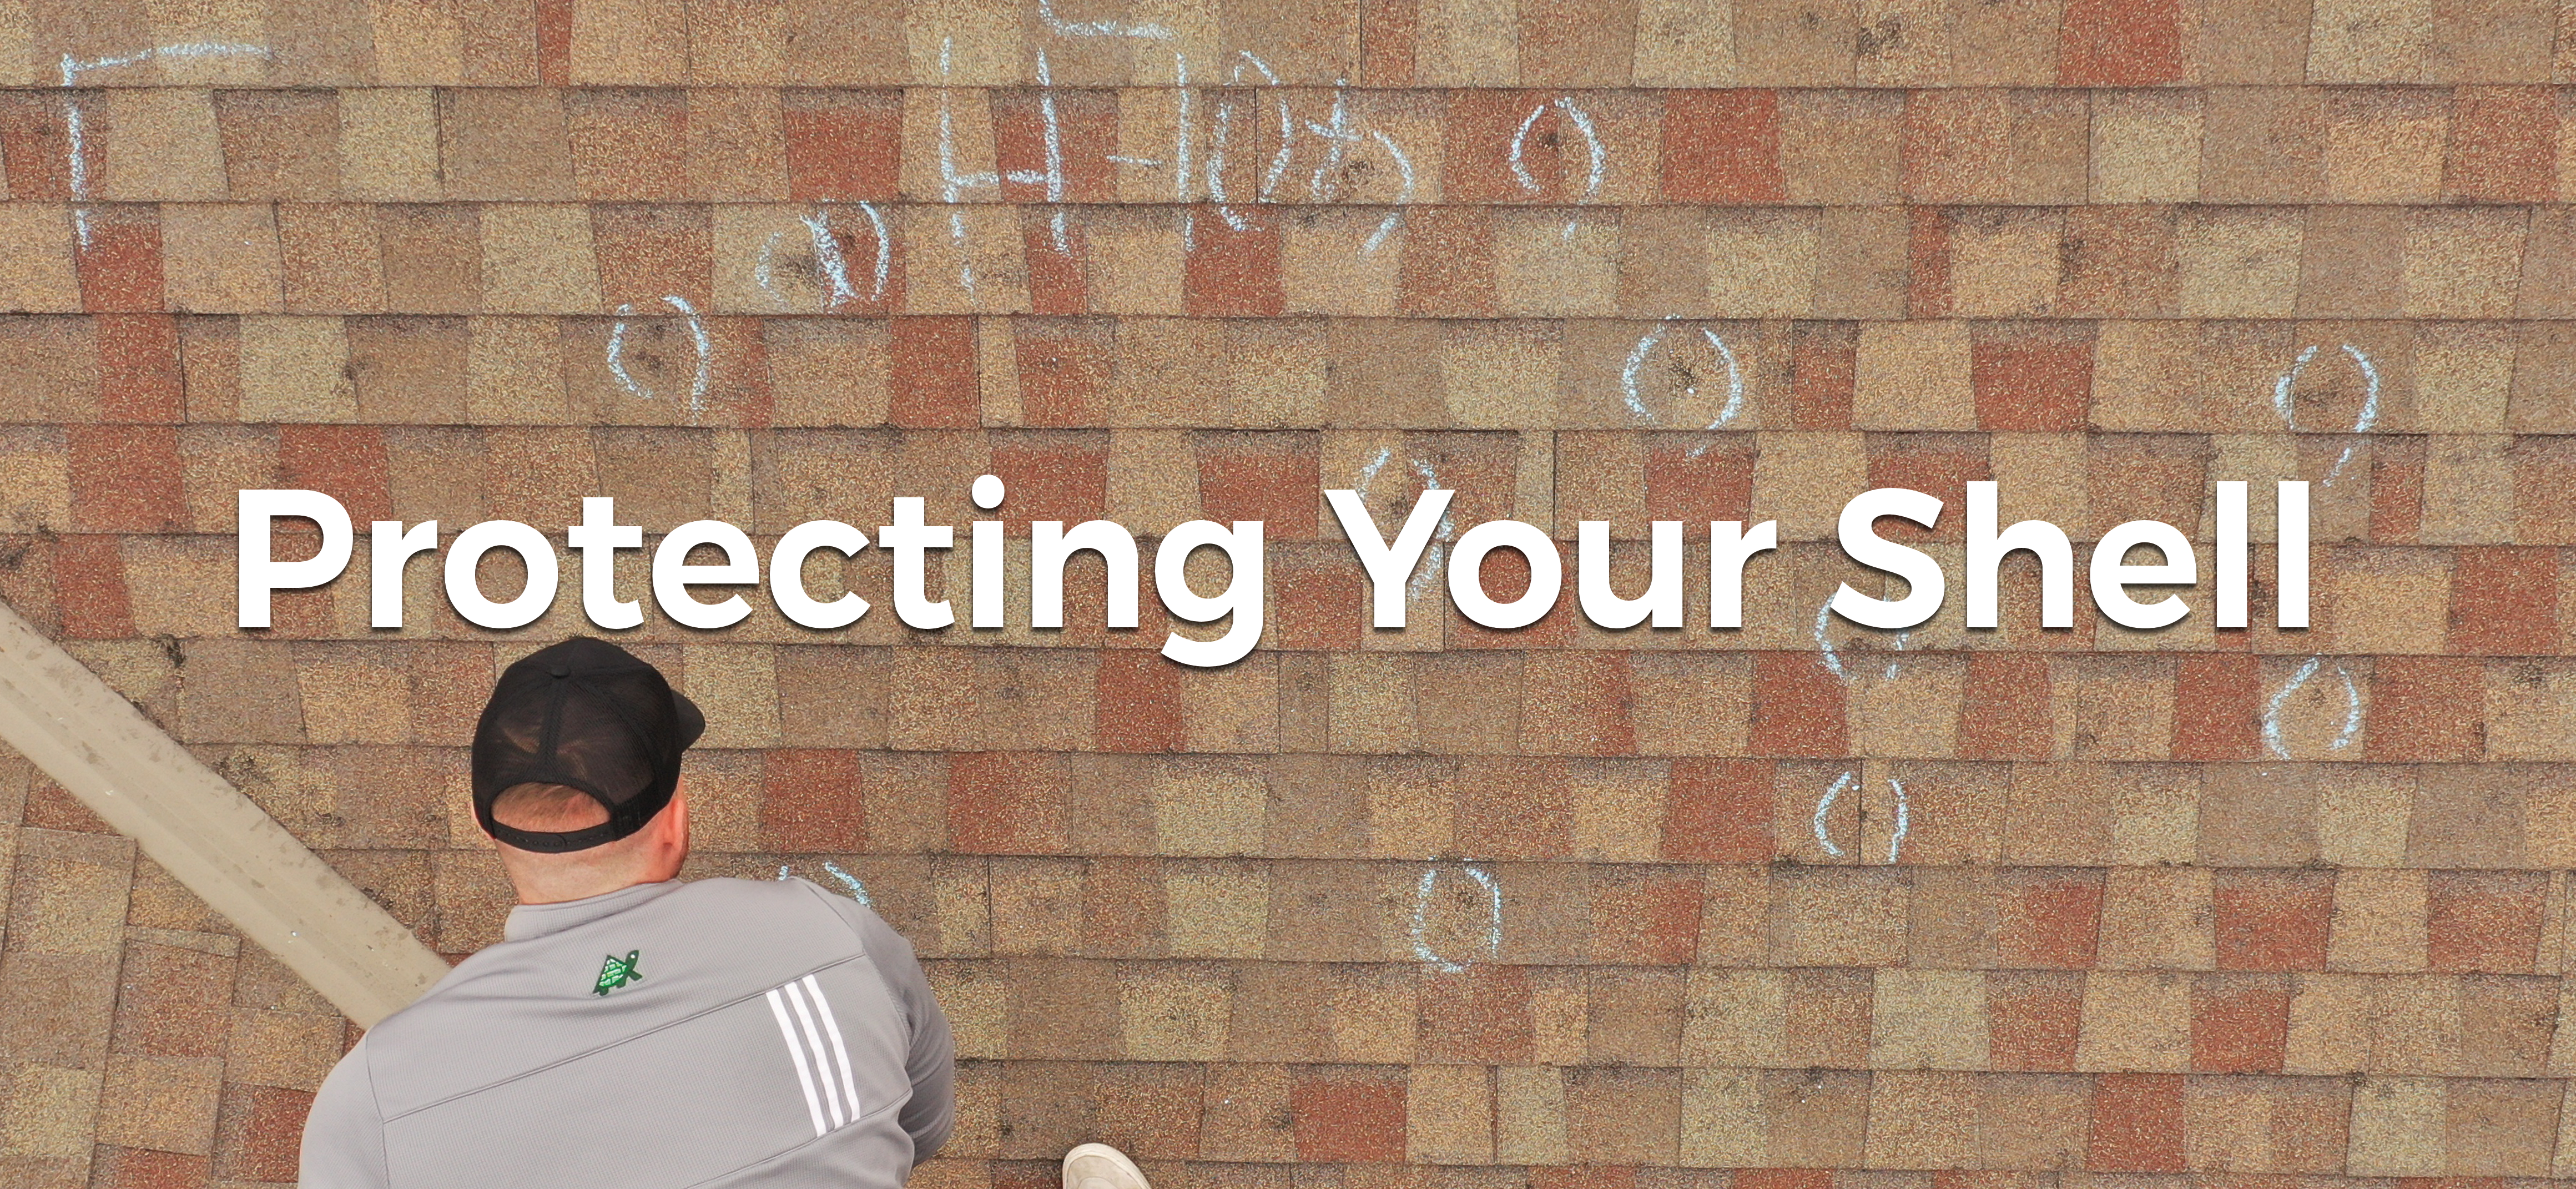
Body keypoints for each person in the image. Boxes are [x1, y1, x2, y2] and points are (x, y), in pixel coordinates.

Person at [297, 636, 1155, 1189]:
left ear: (484, 824)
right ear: (674, 822)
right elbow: (924, 1123)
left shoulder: (370, 1101)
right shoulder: (830, 936)